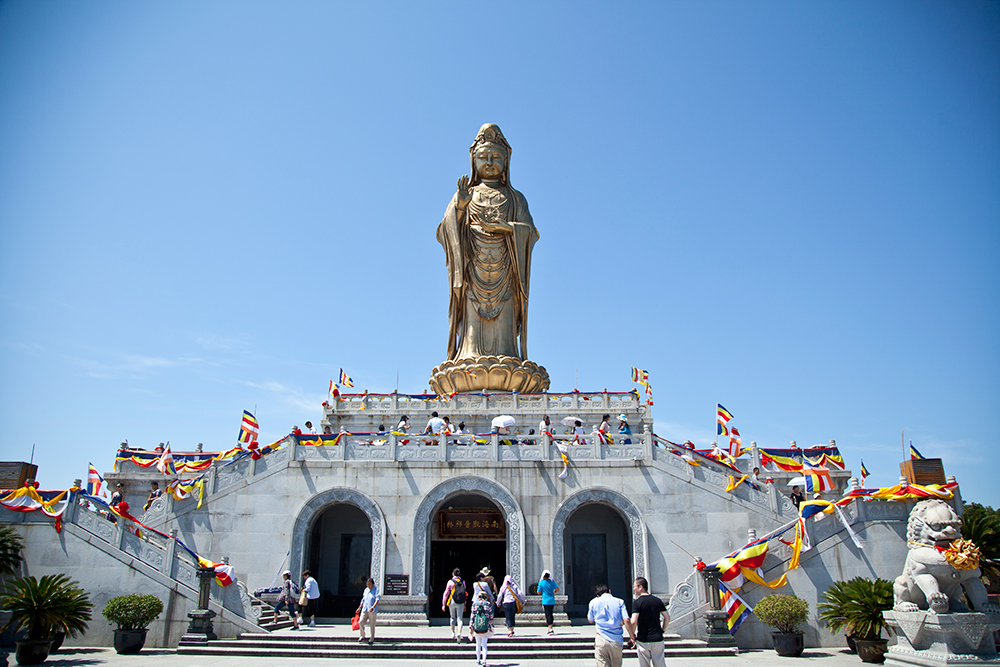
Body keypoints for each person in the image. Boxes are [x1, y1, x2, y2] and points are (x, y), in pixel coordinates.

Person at [437, 123, 539, 362]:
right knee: (472, 323)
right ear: (474, 161)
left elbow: (530, 233)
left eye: (496, 157)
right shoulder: (465, 195)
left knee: (504, 325)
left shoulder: (515, 199)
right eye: (483, 157)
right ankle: (468, 355)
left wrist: (505, 229)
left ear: (506, 162)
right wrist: (461, 205)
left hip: (506, 273)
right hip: (473, 273)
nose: (490, 162)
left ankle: (508, 354)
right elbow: (445, 230)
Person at [588, 584, 636, 667]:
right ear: (609, 591)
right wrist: (632, 636)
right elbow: (627, 620)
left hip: (601, 639)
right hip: (616, 640)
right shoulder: (619, 601)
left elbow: (590, 620)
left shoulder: (593, 602)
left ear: (597, 595)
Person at [630, 577, 669, 667]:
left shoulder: (637, 602)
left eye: (634, 586)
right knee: (660, 664)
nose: (633, 589)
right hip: (657, 638)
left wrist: (632, 636)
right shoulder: (657, 600)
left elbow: (633, 621)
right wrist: (662, 630)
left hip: (643, 639)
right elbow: (667, 617)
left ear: (640, 587)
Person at [442, 568, 467, 643]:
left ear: (453, 574)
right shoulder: (463, 582)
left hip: (452, 601)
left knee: (452, 617)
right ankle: (459, 633)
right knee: (460, 618)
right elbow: (465, 593)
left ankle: (453, 633)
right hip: (461, 602)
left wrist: (444, 604)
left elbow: (446, 593)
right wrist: (465, 603)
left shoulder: (450, 582)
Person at [470, 591, 495, 666]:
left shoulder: (475, 604)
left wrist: (471, 627)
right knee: (484, 644)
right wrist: (491, 624)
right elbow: (491, 616)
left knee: (478, 644)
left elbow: (472, 616)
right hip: (485, 626)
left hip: (477, 627)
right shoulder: (487, 604)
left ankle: (478, 660)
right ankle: (484, 660)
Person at [357, 576, 379, 645]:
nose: (368, 586)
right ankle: (362, 635)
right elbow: (363, 600)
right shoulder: (366, 590)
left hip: (372, 610)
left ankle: (371, 638)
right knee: (361, 622)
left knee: (372, 624)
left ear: (372, 584)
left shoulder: (376, 590)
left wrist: (373, 606)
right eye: (367, 584)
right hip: (365, 609)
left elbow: (377, 599)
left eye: (369, 584)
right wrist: (359, 607)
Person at [537, 570, 559, 635]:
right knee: (550, 613)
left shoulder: (541, 583)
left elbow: (538, 592)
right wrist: (554, 592)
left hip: (545, 601)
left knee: (547, 614)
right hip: (552, 600)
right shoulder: (552, 582)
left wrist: (542, 592)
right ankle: (551, 627)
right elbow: (557, 589)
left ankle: (550, 628)